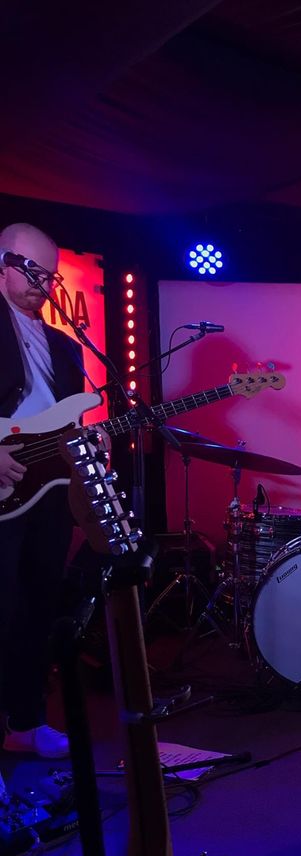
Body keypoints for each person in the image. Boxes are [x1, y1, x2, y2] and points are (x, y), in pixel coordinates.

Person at [0, 222, 83, 759]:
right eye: (31, 271)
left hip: (50, 487)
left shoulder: (61, 343)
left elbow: (67, 420)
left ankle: (26, 721)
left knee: (40, 604)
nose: (42, 283)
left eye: (49, 275)